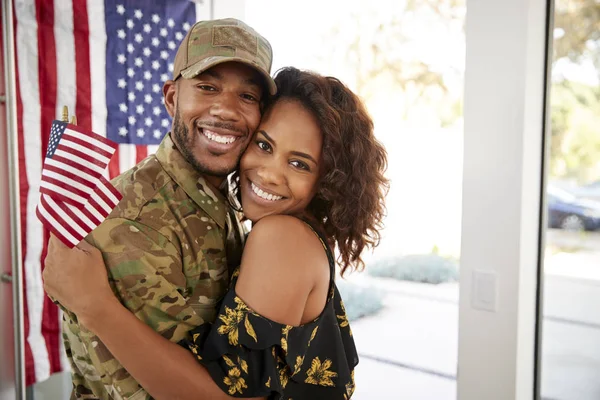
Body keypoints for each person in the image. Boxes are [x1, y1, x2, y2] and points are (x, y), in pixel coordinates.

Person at [44, 67, 388, 399]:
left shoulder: (282, 237)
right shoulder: (263, 224)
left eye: (299, 164)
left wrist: (95, 306)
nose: (269, 174)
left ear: (326, 181)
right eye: (265, 146)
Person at [50, 18, 277, 400]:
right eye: (207, 87)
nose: (226, 110)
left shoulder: (226, 199)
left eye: (248, 97)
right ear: (172, 97)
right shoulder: (134, 223)